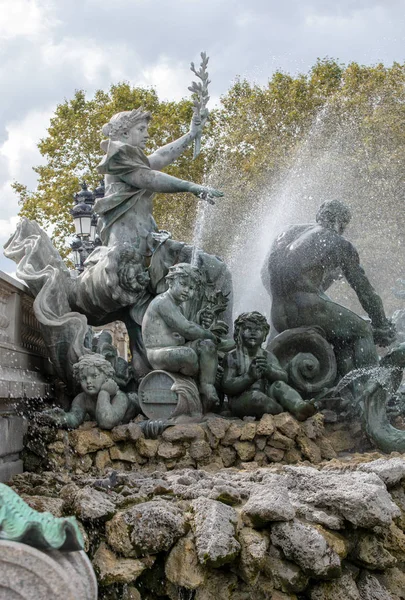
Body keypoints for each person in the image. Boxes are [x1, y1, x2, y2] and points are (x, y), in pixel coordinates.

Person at [262, 200, 395, 375]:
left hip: (278, 314)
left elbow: (267, 274)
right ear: (342, 223)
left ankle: (340, 387)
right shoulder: (339, 243)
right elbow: (366, 293)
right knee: (362, 330)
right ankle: (369, 392)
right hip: (307, 311)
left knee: (343, 334)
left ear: (319, 216)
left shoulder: (288, 232)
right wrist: (381, 324)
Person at [96, 108, 223, 255]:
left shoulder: (130, 159)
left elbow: (161, 156)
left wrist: (191, 134)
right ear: (125, 133)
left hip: (146, 237)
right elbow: (148, 178)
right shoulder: (117, 157)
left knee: (205, 265)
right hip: (128, 245)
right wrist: (190, 186)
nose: (147, 135)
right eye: (141, 129)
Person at [142, 263, 227, 411]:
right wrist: (210, 335)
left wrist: (209, 340)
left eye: (192, 288)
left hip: (175, 349)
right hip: (157, 352)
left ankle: (207, 386)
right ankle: (202, 379)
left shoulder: (179, 306)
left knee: (207, 346)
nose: (187, 291)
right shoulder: (163, 302)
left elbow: (190, 329)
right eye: (183, 284)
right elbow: (186, 329)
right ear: (170, 281)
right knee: (189, 355)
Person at [221, 312, 315, 420]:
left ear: (265, 334)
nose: (253, 332)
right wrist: (249, 377)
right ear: (238, 331)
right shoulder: (232, 357)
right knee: (256, 398)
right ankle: (283, 410)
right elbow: (227, 386)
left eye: (258, 329)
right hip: (241, 400)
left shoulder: (268, 356)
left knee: (279, 385)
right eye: (248, 328)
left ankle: (299, 406)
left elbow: (284, 377)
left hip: (266, 396)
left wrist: (269, 370)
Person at [40, 354, 139, 429]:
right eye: (83, 378)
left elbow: (106, 422)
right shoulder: (82, 399)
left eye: (94, 376)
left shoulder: (119, 397)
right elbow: (75, 418)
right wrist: (63, 418)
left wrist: (104, 392)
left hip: (136, 402)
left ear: (106, 376)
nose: (88, 382)